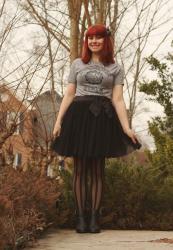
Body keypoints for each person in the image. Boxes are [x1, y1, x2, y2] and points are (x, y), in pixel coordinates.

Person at [51, 24, 142, 234]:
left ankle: (94, 219)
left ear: (105, 41)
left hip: (102, 119)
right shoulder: (77, 64)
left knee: (97, 170)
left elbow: (118, 100)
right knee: (80, 169)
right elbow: (69, 94)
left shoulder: (115, 68)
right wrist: (58, 121)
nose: (94, 42)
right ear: (87, 41)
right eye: (90, 38)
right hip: (79, 118)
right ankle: (80, 218)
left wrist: (127, 128)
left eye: (98, 38)